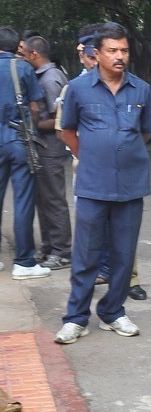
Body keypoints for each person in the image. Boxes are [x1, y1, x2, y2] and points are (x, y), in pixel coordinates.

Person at [54, 22, 151, 344]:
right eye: (112, 50)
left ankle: (113, 312)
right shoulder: (78, 89)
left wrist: (119, 153)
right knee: (86, 255)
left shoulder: (141, 89)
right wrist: (95, 156)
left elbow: (145, 131)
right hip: (93, 186)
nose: (119, 56)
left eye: (124, 50)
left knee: (124, 256)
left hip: (131, 186)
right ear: (96, 54)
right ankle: (76, 318)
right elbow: (66, 131)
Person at [0, 26, 50, 279]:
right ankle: (24, 263)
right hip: (19, 141)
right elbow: (33, 107)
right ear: (16, 46)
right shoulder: (23, 69)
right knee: (23, 202)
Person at [22, 35, 72, 269]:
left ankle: (62, 251)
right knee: (43, 200)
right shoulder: (41, 76)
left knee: (53, 200)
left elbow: (59, 119)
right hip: (42, 148)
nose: (21, 58)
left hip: (50, 148)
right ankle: (49, 247)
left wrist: (31, 125)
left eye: (23, 54)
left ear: (34, 54)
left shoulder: (51, 79)